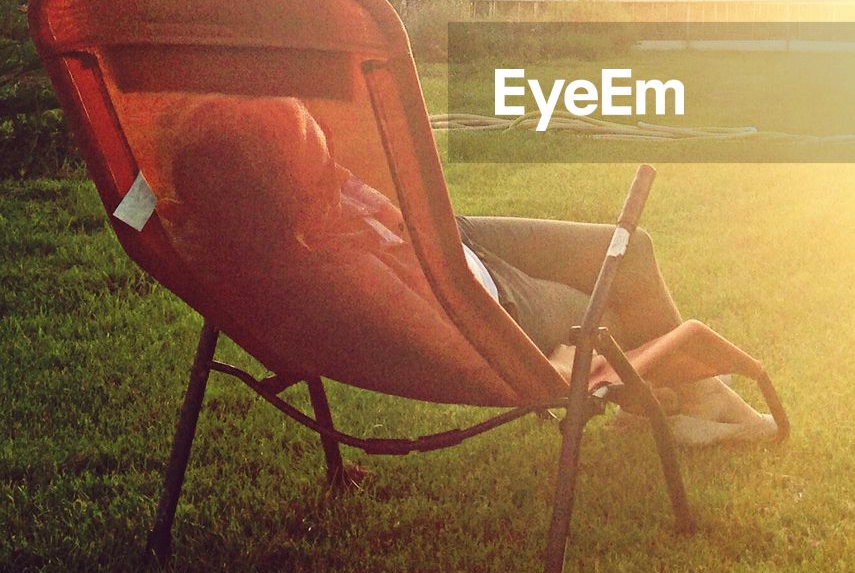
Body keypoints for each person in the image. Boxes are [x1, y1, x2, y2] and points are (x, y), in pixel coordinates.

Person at [159, 95, 776, 446]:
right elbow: (457, 341)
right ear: (293, 188)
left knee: (630, 248)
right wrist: (553, 371)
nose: (332, 162)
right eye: (314, 156)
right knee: (614, 300)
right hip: (491, 298)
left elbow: (140, 204)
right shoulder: (345, 271)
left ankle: (682, 394)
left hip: (443, 241)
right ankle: (707, 403)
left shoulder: (213, 227)